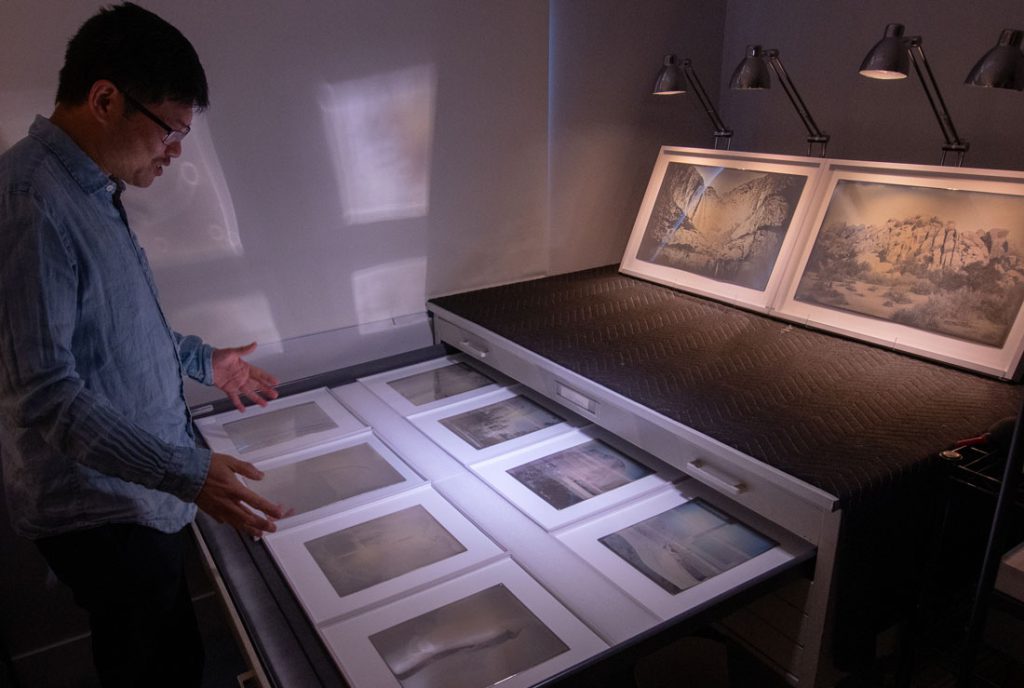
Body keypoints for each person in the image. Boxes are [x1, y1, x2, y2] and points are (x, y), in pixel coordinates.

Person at [0, 4, 286, 686]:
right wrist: (187, 473)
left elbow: (111, 328)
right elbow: (46, 394)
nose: (175, 151)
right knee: (151, 668)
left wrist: (204, 361)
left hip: (138, 494)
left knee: (173, 653)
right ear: (105, 100)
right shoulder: (31, 203)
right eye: (170, 130)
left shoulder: (88, 190)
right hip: (104, 513)